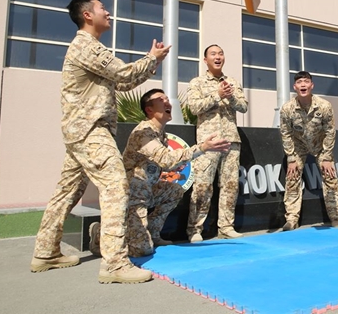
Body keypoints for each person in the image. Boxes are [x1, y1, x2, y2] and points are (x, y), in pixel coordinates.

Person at [30, 0, 170, 284]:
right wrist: (150, 58)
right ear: (87, 15)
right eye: (102, 8)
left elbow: (123, 81)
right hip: (90, 131)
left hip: (81, 132)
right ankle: (115, 264)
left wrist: (151, 62)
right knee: (115, 183)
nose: (108, 12)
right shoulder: (86, 46)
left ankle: (45, 252)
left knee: (67, 192)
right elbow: (121, 71)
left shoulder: (91, 49)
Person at [88, 89, 231, 257]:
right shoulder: (144, 132)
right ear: (149, 110)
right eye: (161, 99)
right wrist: (202, 148)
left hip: (148, 189)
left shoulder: (160, 133)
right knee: (142, 250)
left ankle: (153, 233)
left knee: (174, 190)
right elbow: (167, 160)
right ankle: (100, 233)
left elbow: (166, 166)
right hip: (132, 195)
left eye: (167, 99)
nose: (167, 102)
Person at [186, 44, 248, 243]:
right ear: (206, 60)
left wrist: (229, 96)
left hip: (231, 140)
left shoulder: (232, 82)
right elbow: (194, 107)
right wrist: (216, 95)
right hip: (209, 142)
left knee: (230, 185)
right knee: (203, 185)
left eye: (221, 53)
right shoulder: (197, 82)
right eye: (213, 54)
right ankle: (194, 229)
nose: (218, 56)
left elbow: (244, 107)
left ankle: (226, 226)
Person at [279, 71, 338, 231]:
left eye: (306, 82)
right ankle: (291, 219)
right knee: (292, 178)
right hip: (298, 145)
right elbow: (285, 133)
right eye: (299, 82)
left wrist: (327, 156)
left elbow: (330, 131)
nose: (303, 85)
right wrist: (291, 158)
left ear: (311, 85)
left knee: (330, 176)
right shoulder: (287, 109)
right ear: (295, 87)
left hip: (320, 145)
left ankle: (335, 217)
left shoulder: (324, 106)